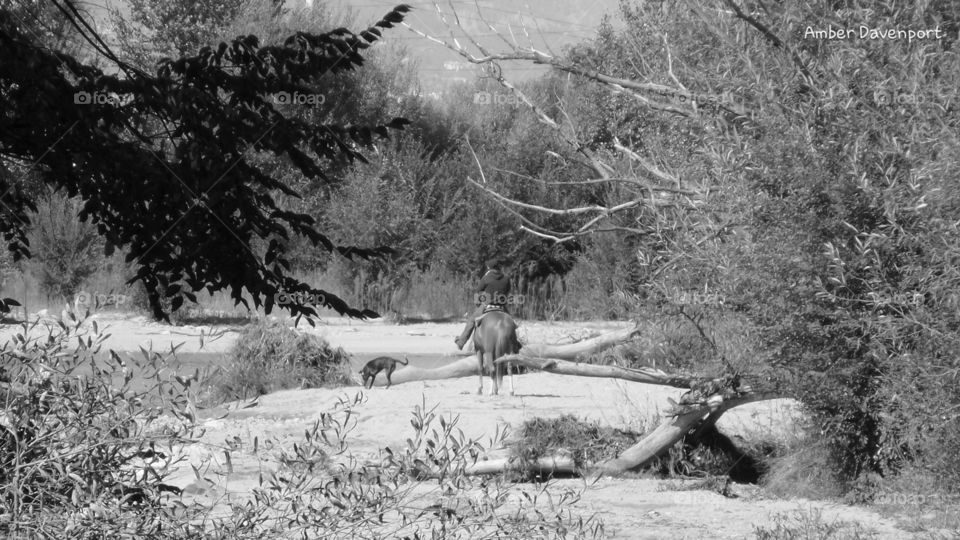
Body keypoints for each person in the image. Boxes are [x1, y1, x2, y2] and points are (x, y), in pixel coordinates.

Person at [454, 258, 510, 350]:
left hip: (487, 305)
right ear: (498, 267)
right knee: (511, 322)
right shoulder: (506, 278)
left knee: (471, 320)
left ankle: (461, 342)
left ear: (489, 267)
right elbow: (507, 291)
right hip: (502, 306)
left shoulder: (486, 277)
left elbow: (478, 291)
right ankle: (516, 343)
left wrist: (477, 303)